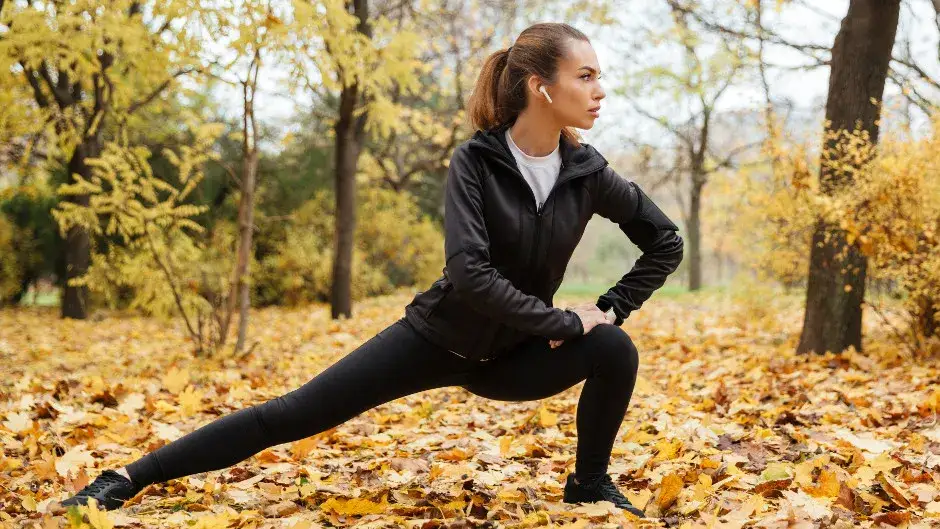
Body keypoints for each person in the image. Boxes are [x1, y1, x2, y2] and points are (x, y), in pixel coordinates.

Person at [58, 22, 683, 518]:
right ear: (541, 87)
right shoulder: (476, 163)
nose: (601, 90)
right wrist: (562, 320)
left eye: (599, 76)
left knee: (615, 348)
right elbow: (469, 273)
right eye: (587, 75)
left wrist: (607, 309)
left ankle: (589, 482)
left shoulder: (587, 172)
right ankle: (126, 478)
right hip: (436, 339)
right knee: (291, 415)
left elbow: (664, 242)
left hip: (517, 357)